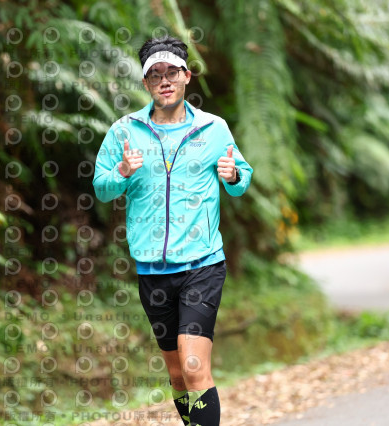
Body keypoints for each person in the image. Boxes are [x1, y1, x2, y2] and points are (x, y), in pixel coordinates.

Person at [93, 35, 253, 426]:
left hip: (202, 264)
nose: (164, 81)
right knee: (178, 374)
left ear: (186, 76)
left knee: (194, 367)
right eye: (155, 74)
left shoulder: (213, 129)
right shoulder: (124, 131)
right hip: (152, 270)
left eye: (172, 72)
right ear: (146, 82)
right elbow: (101, 188)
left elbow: (241, 178)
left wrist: (233, 175)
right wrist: (122, 172)